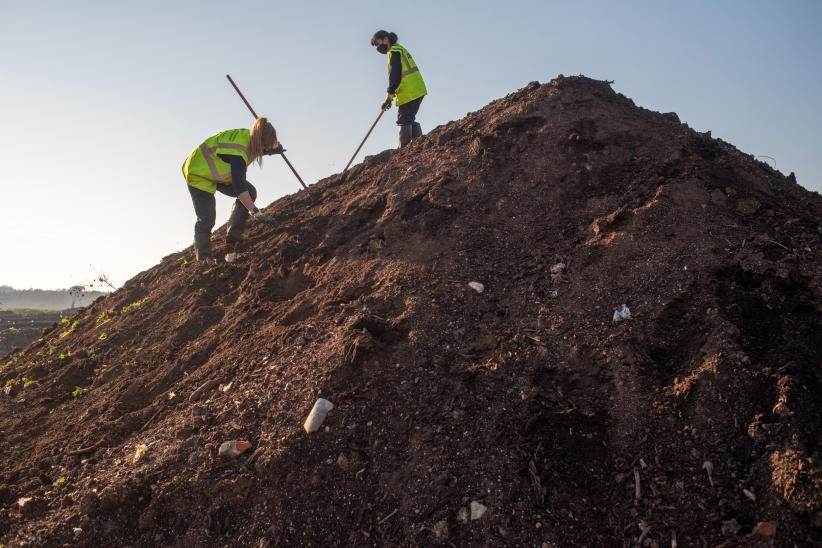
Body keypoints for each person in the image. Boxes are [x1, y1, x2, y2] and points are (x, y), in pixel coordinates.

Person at [181, 117, 283, 262]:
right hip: (199, 172)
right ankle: (204, 259)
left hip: (218, 172)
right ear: (259, 141)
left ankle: (232, 240)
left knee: (251, 192)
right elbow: (239, 186)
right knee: (207, 218)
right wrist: (256, 212)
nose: (264, 150)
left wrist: (272, 149)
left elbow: (257, 148)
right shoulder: (238, 154)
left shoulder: (250, 136)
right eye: (264, 147)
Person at [370, 30, 428, 147]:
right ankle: (421, 145)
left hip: (410, 91)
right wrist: (390, 98)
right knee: (408, 118)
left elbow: (395, 77)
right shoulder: (398, 49)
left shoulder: (395, 51)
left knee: (404, 118)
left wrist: (388, 97)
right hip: (415, 89)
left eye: (378, 43)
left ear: (386, 39)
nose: (378, 48)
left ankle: (404, 150)